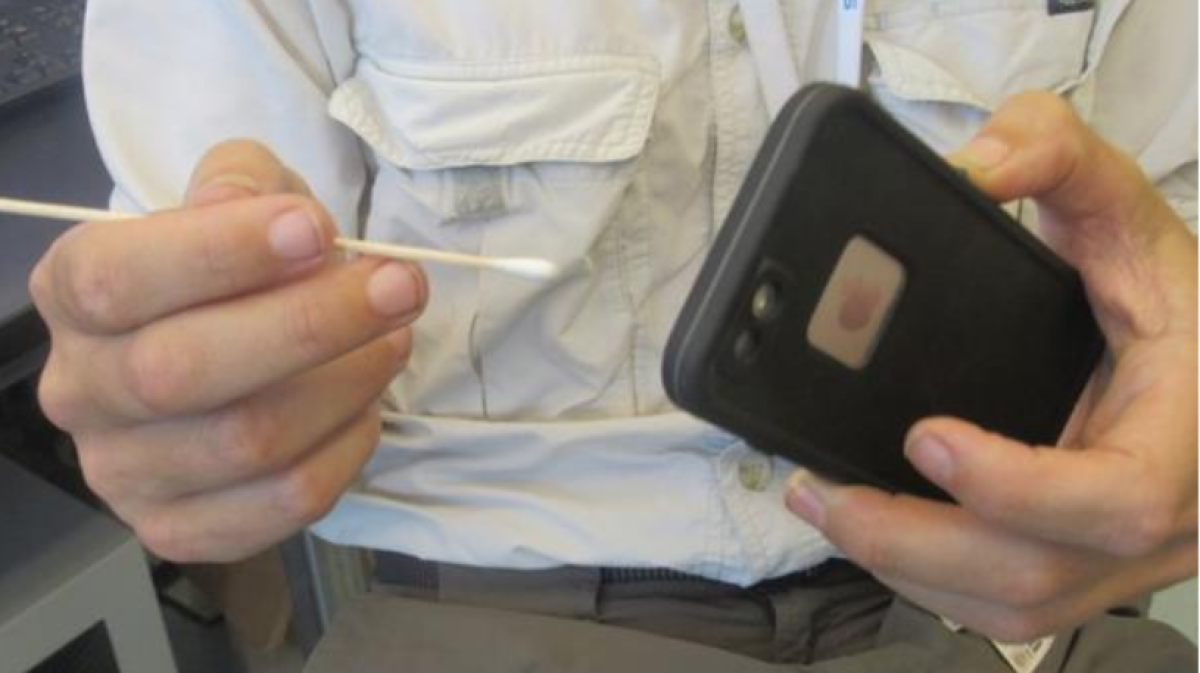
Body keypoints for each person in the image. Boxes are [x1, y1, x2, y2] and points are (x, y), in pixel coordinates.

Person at [31, 0, 1196, 670]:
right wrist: (180, 398)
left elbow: (1173, 229)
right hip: (498, 609)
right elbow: (190, 313)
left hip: (1026, 597)